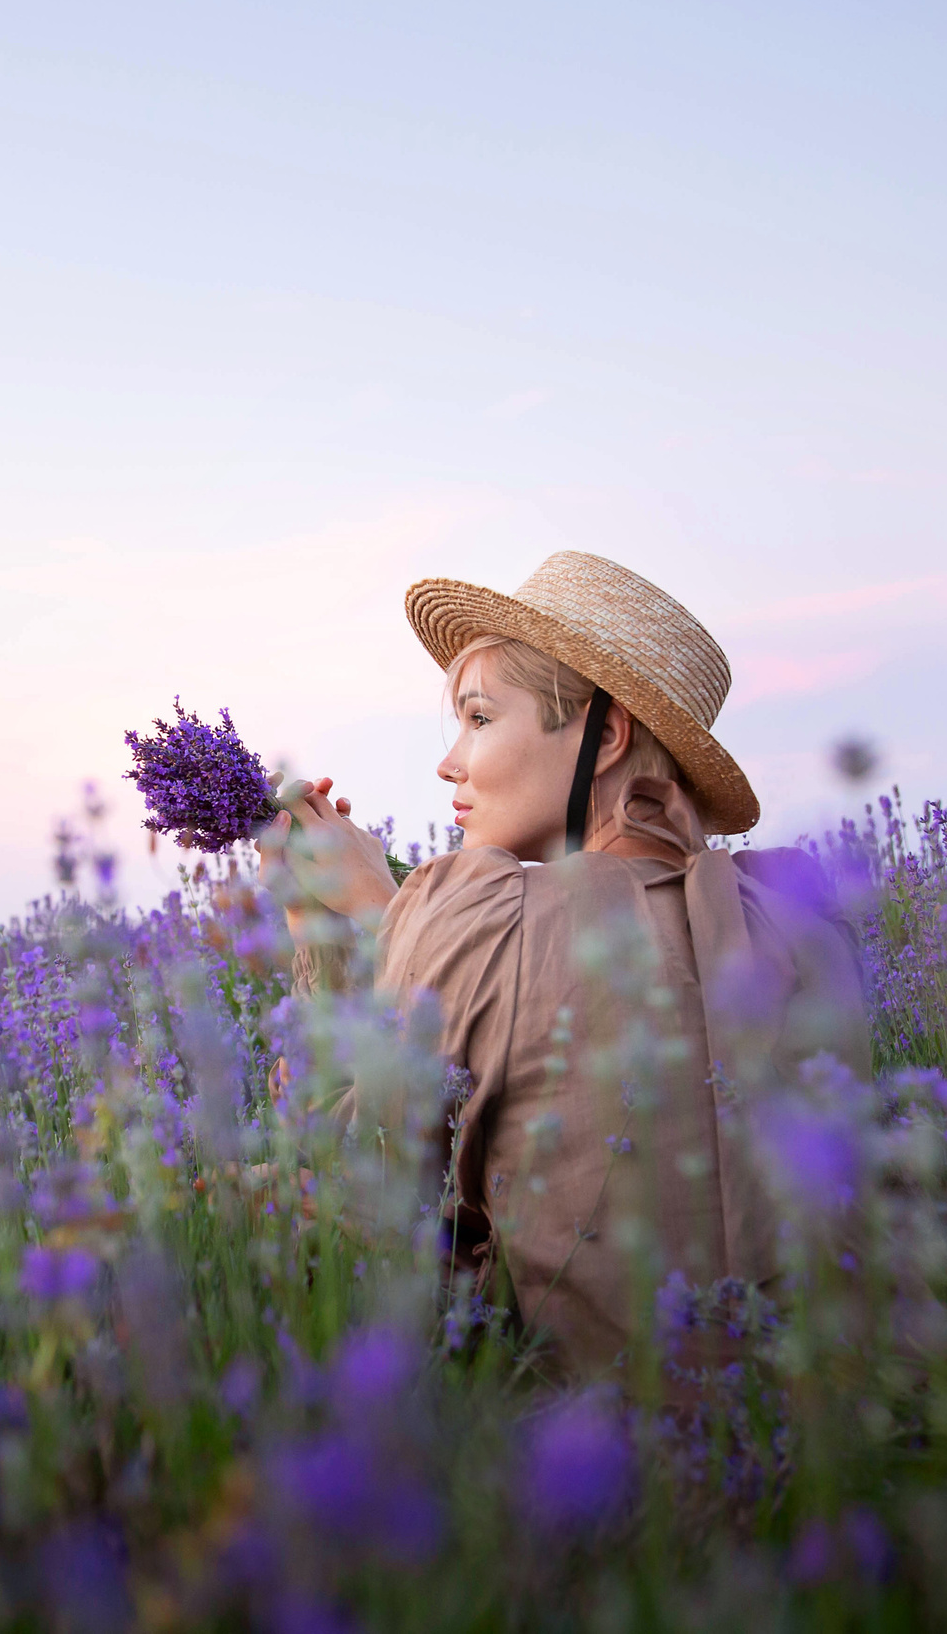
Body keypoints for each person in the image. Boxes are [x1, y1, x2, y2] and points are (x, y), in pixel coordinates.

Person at [258, 550, 871, 1381]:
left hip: (588, 1430)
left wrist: (329, 922)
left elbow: (347, 1160)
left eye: (479, 718)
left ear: (606, 735)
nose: (449, 762)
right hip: (824, 1414)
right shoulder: (794, 916)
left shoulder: (484, 915)